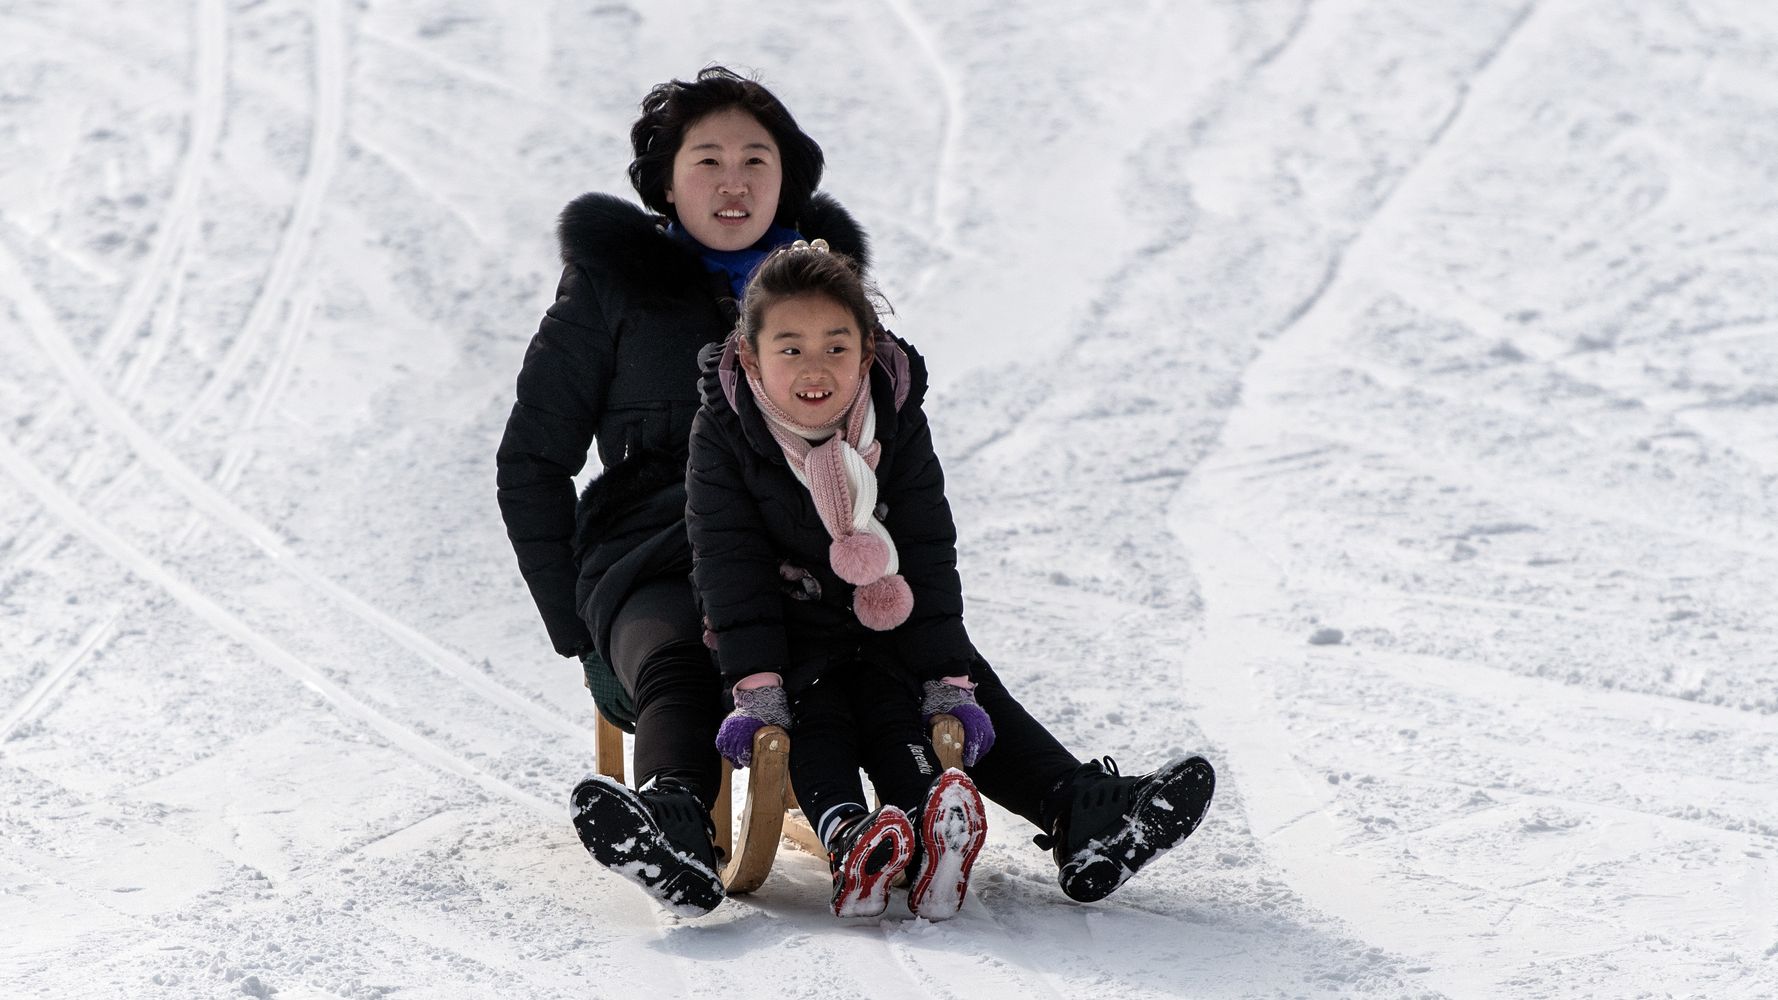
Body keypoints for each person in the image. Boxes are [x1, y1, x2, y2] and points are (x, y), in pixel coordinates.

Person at [495, 66, 1216, 916]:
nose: (734, 183)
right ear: (665, 180)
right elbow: (531, 463)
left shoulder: (828, 301)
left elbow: (890, 441)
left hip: (815, 542)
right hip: (653, 553)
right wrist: (575, 630)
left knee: (918, 642)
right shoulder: (611, 289)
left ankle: (1076, 810)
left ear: (786, 177)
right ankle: (676, 822)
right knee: (681, 655)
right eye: (708, 161)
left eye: (756, 161)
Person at [686, 241, 991, 919]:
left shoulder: (893, 422)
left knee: (895, 718)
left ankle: (929, 834)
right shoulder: (729, 432)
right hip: (793, 648)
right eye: (790, 348)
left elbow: (930, 550)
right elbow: (727, 565)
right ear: (751, 357)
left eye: (836, 346)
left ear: (866, 347)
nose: (815, 367)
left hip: (877, 635)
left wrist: (947, 676)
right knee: (814, 725)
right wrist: (757, 684)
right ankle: (852, 840)